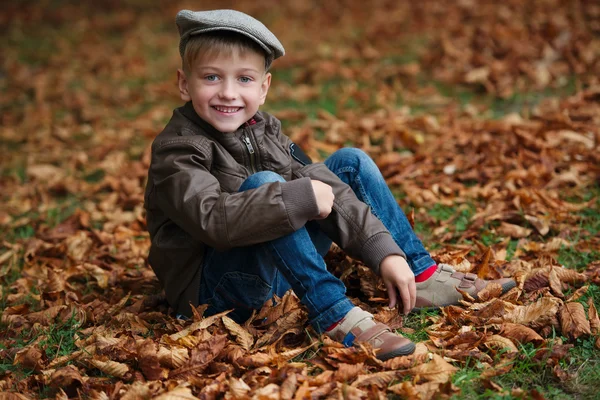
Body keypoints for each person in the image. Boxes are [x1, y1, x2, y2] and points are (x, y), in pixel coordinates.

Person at [143, 9, 516, 361]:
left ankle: (418, 274)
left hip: (275, 265)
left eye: (244, 79)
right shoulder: (177, 149)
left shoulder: (264, 130)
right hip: (218, 291)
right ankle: (335, 314)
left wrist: (384, 251)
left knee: (348, 163)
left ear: (264, 88)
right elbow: (212, 220)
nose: (228, 92)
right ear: (183, 83)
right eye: (211, 77)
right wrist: (296, 196)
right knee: (270, 187)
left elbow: (321, 181)